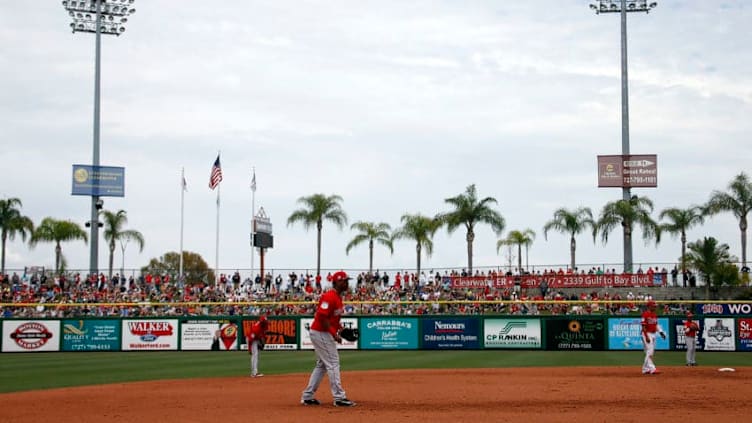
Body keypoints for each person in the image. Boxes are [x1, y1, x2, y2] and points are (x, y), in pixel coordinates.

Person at [301, 270, 356, 407]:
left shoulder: (338, 297)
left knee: (322, 365)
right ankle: (339, 397)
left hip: (322, 332)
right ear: (337, 282)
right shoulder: (329, 296)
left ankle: (307, 396)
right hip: (320, 332)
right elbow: (322, 316)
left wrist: (341, 329)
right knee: (333, 362)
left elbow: (333, 319)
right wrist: (333, 333)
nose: (347, 283)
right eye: (345, 281)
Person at [641, 300, 666, 375]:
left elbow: (656, 325)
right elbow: (643, 326)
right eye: (653, 306)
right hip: (647, 333)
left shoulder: (654, 314)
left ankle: (645, 369)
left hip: (653, 333)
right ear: (649, 306)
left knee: (649, 352)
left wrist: (661, 332)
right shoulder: (645, 314)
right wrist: (646, 336)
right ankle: (652, 368)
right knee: (650, 351)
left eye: (655, 306)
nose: (655, 307)